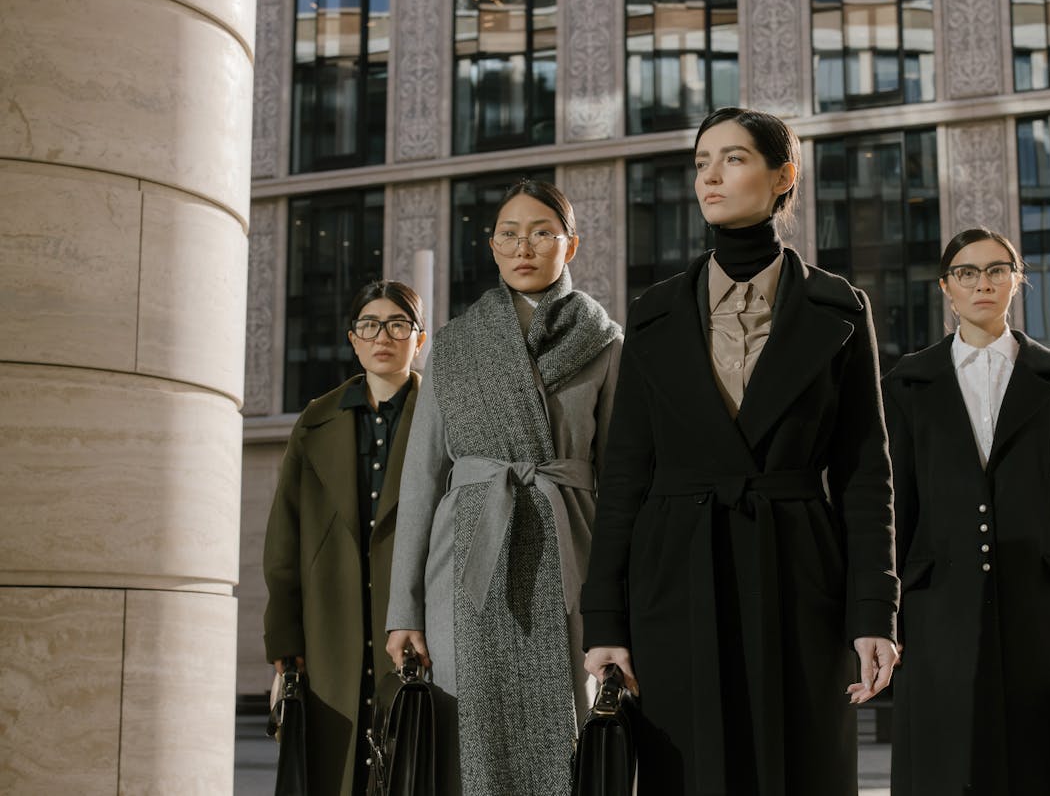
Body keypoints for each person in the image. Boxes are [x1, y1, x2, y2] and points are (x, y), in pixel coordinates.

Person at [580, 107, 900, 795]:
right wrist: (605, 617)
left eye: (733, 158)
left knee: (801, 767)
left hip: (799, 572)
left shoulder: (841, 308)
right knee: (686, 771)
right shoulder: (655, 311)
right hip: (675, 576)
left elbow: (864, 474)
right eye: (701, 162)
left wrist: (875, 610)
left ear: (784, 176)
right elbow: (626, 473)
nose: (710, 176)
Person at [385, 179, 622, 796]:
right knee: (466, 741)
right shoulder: (454, 343)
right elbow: (419, 481)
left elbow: (623, 481)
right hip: (463, 563)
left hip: (566, 547)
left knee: (567, 732)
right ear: (492, 246)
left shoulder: (606, 341)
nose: (525, 247)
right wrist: (403, 609)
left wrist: (619, 608)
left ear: (570, 246)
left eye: (543, 232)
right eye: (510, 234)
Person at [882, 227, 1050, 796]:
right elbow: (896, 505)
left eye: (996, 270)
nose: (982, 283)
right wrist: (885, 613)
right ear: (945, 287)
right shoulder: (906, 383)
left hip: (1039, 601)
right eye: (967, 272)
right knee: (943, 763)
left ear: (1016, 281)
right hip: (934, 603)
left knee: (1039, 762)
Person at [262, 279, 428, 795]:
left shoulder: (445, 418)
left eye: (398, 324)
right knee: (334, 773)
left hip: (416, 630)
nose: (384, 336)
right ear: (352, 339)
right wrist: (285, 649)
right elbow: (283, 542)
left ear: (419, 339)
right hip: (328, 631)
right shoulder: (316, 420)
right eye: (370, 325)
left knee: (413, 768)